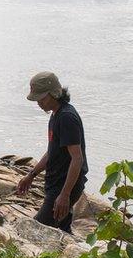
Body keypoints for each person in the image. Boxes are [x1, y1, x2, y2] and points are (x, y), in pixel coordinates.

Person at [15, 72, 88, 233]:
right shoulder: (56, 115)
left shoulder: (67, 117)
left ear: (54, 94)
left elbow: (77, 159)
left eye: (42, 98)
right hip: (56, 184)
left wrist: (65, 195)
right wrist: (31, 175)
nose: (39, 103)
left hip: (64, 187)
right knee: (61, 230)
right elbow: (51, 152)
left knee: (37, 231)